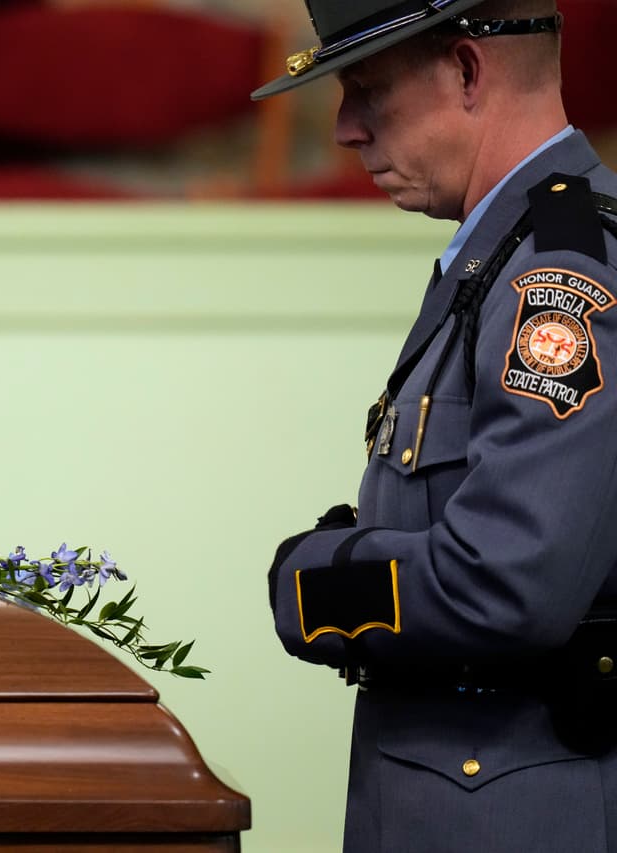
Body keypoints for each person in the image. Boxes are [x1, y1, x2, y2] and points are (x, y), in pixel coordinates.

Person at [254, 1, 617, 850]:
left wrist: (310, 579)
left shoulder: (557, 281)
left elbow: (508, 580)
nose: (345, 128)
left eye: (367, 89)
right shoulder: (502, 255)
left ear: (465, 71)